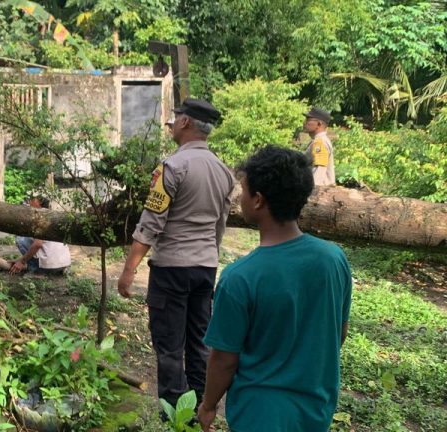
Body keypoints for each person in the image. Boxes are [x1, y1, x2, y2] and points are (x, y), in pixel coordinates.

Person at [198, 146, 352, 432]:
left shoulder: (239, 278)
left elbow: (223, 360)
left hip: (259, 415)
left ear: (258, 200)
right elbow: (337, 334)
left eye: (243, 190)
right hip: (316, 410)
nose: (240, 198)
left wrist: (208, 406)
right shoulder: (334, 260)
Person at [117, 98, 235, 408]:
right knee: (199, 342)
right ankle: (198, 406)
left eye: (176, 117)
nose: (172, 123)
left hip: (171, 270)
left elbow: (150, 224)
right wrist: (208, 253)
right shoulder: (224, 172)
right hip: (205, 268)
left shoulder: (172, 167)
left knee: (169, 345)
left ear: (185, 123)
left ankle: (174, 412)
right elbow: (220, 225)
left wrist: (129, 270)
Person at [9, 195, 72, 275]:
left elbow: (38, 244)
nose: (29, 202)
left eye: (32, 199)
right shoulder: (54, 216)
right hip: (64, 264)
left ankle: (35, 269)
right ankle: (58, 269)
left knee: (20, 239)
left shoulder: (40, 218)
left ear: (39, 203)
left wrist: (21, 262)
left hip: (50, 268)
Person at [303, 106, 335, 186]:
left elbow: (319, 169)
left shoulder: (319, 142)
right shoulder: (319, 140)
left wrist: (313, 191)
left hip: (320, 191)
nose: (304, 122)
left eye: (308, 120)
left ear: (319, 124)